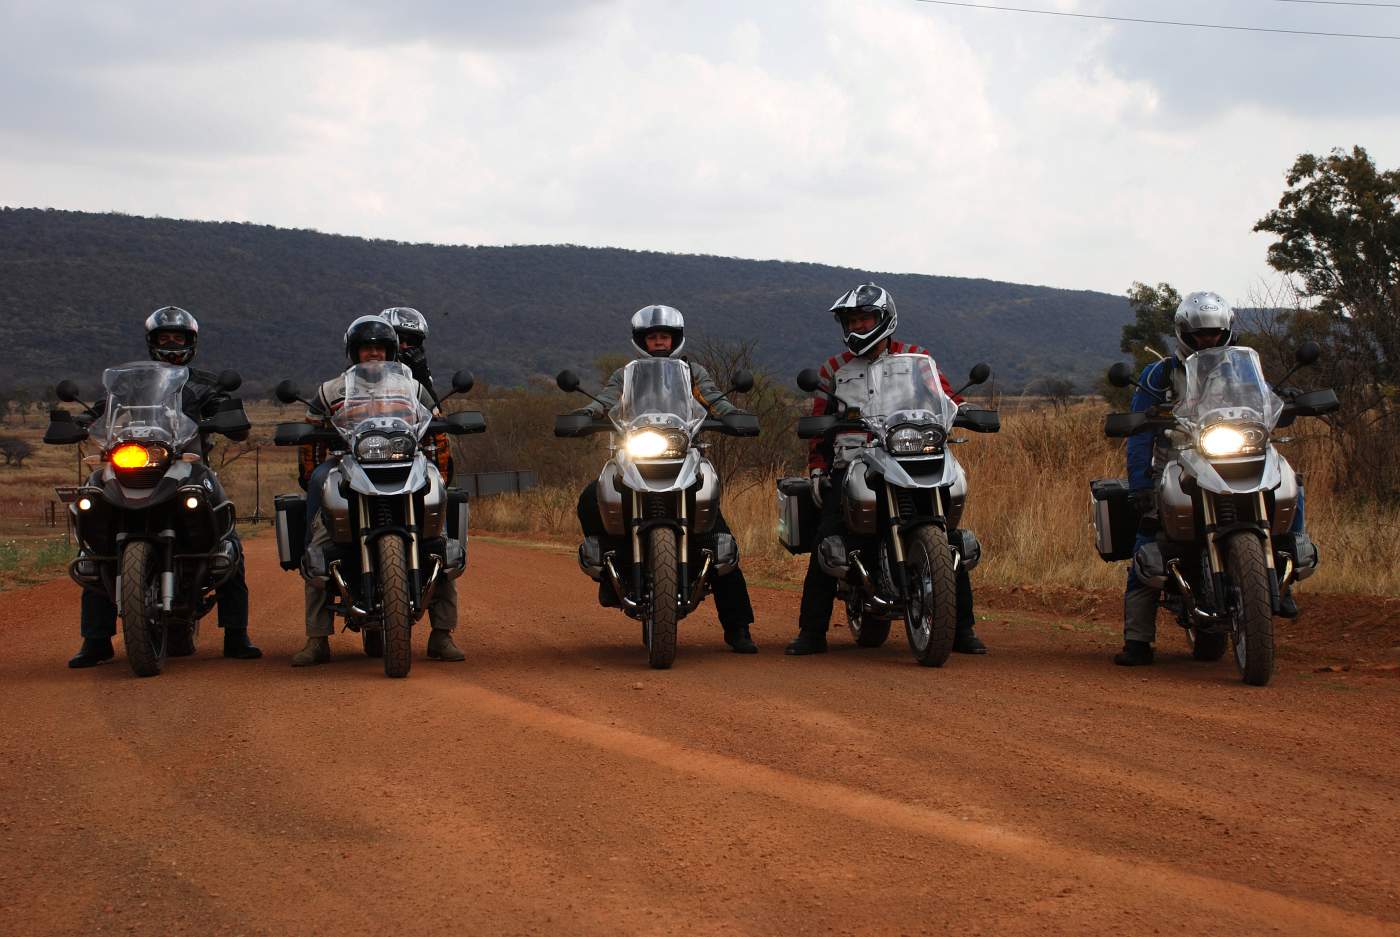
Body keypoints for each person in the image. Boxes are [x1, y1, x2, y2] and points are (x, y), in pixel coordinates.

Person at [785, 283, 987, 656]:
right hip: (855, 461)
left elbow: (944, 397)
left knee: (947, 533)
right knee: (827, 536)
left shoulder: (916, 357)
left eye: (866, 318)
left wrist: (966, 409)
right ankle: (811, 632)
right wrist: (817, 468)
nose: (860, 326)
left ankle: (962, 629)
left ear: (884, 319)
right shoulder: (834, 368)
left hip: (912, 453)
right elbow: (819, 420)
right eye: (853, 320)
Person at [1116, 291, 1306, 666]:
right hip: (1180, 460)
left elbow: (1264, 399)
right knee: (1148, 536)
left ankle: (1286, 574)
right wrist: (1139, 483)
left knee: (1290, 483)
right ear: (1184, 332)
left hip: (1237, 454)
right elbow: (1138, 434)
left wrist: (1288, 402)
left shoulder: (1240, 367)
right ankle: (1137, 639)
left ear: (1227, 330)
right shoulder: (1159, 373)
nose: (1208, 339)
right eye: (1200, 334)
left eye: (1215, 333)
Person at [67, 306, 261, 667]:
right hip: (131, 463)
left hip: (186, 465)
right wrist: (80, 421)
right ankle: (95, 640)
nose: (172, 343)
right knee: (96, 540)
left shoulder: (205, 383)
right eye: (164, 337)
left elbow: (233, 418)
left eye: (179, 338)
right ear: (152, 342)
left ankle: (237, 634)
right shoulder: (129, 384)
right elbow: (100, 413)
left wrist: (228, 419)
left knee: (226, 536)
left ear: (191, 342)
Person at [574, 305, 758, 653]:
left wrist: (733, 415)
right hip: (635, 455)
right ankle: (610, 568)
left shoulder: (690, 372)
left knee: (719, 536)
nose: (659, 342)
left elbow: (714, 398)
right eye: (653, 337)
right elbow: (607, 400)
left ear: (675, 339)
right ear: (641, 340)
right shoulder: (626, 374)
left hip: (682, 454)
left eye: (665, 337)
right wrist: (586, 413)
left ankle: (738, 628)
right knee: (590, 498)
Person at [291, 316, 461, 666]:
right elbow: (310, 436)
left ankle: (442, 634)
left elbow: (435, 427)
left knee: (439, 542)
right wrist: (311, 471)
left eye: (380, 347)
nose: (374, 353)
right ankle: (317, 639)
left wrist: (440, 473)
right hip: (346, 463)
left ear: (391, 351)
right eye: (367, 347)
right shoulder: (331, 389)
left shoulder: (412, 387)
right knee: (320, 539)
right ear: (354, 352)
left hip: (403, 459)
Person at [380, 306, 453, 479]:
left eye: (412, 340)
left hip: (411, 443)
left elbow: (435, 410)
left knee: (439, 477)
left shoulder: (419, 368)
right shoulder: (363, 369)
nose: (405, 346)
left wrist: (419, 374)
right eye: (399, 339)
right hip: (369, 445)